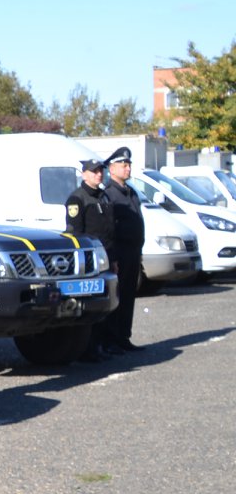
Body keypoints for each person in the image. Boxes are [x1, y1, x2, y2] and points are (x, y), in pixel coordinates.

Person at [63, 158, 114, 362]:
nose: (98, 174)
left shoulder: (103, 196)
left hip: (107, 256)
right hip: (90, 260)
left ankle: (101, 345)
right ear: (84, 174)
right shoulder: (77, 199)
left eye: (100, 171)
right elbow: (75, 233)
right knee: (90, 306)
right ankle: (88, 349)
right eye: (94, 171)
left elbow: (110, 229)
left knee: (105, 304)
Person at [100, 146, 145, 354]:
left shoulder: (131, 192)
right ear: (112, 168)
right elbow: (109, 228)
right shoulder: (109, 194)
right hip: (119, 251)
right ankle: (110, 340)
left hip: (134, 250)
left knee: (128, 295)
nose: (127, 169)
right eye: (123, 165)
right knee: (117, 297)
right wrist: (114, 257)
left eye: (129, 165)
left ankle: (123, 336)